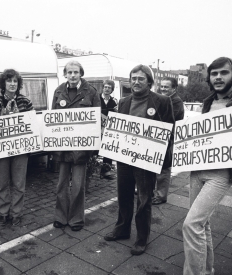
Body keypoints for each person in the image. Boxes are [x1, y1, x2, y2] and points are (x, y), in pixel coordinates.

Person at [104, 64, 174, 255]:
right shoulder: (124, 102)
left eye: (140, 78)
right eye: (133, 78)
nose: (136, 82)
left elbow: (169, 130)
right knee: (124, 194)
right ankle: (122, 229)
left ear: (149, 82)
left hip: (146, 160)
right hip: (125, 158)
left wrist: (162, 156)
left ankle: (142, 238)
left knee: (144, 200)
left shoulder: (162, 101)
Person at [183, 57, 232, 275]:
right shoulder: (207, 102)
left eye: (224, 73)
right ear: (209, 78)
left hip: (219, 174)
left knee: (191, 225)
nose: (219, 77)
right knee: (203, 225)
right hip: (197, 170)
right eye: (214, 74)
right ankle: (207, 270)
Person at [52, 61, 101, 231]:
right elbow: (52, 120)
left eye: (76, 72)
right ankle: (60, 216)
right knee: (61, 185)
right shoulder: (58, 91)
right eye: (69, 72)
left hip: (81, 148)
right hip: (63, 147)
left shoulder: (91, 92)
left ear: (81, 74)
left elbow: (96, 122)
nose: (73, 75)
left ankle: (76, 219)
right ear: (65, 74)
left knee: (78, 186)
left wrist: (93, 149)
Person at [0, 69, 33, 226]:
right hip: (1, 149)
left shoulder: (26, 102)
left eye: (15, 81)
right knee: (2, 183)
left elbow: (31, 125)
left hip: (21, 149)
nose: (12, 84)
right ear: (3, 83)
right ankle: (3, 213)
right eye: (9, 81)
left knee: (19, 183)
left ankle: (17, 214)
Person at [152, 77, 184, 205]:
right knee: (154, 165)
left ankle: (161, 196)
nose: (163, 89)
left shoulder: (176, 102)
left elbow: (166, 119)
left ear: (174, 88)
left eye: (167, 87)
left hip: (167, 138)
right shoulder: (164, 99)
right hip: (158, 136)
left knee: (164, 167)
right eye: (162, 86)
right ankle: (151, 190)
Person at [100, 80, 118, 180]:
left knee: (108, 149)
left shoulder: (114, 101)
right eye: (105, 87)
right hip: (97, 129)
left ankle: (106, 171)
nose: (107, 89)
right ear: (102, 88)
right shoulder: (97, 99)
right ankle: (90, 170)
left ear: (112, 90)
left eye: (109, 88)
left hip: (108, 129)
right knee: (94, 150)